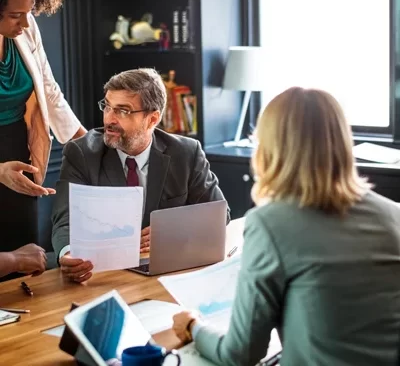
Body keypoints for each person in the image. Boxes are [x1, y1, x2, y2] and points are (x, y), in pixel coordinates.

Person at [172, 87, 400, 366]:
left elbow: (240, 353)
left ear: (268, 150)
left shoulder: (270, 224)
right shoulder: (394, 215)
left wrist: (194, 327)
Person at [52, 68, 229, 283]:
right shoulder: (82, 153)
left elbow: (219, 215)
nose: (110, 119)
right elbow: (65, 219)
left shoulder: (186, 153)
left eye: (123, 111)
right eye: (107, 106)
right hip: (104, 275)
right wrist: (68, 253)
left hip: (166, 273)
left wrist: (170, 232)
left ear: (152, 119)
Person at [0, 0, 86, 278]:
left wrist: (84, 141)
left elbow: (48, 88)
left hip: (16, 146)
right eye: (14, 15)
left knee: (25, 254)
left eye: (30, 12)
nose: (24, 23)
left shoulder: (26, 27)